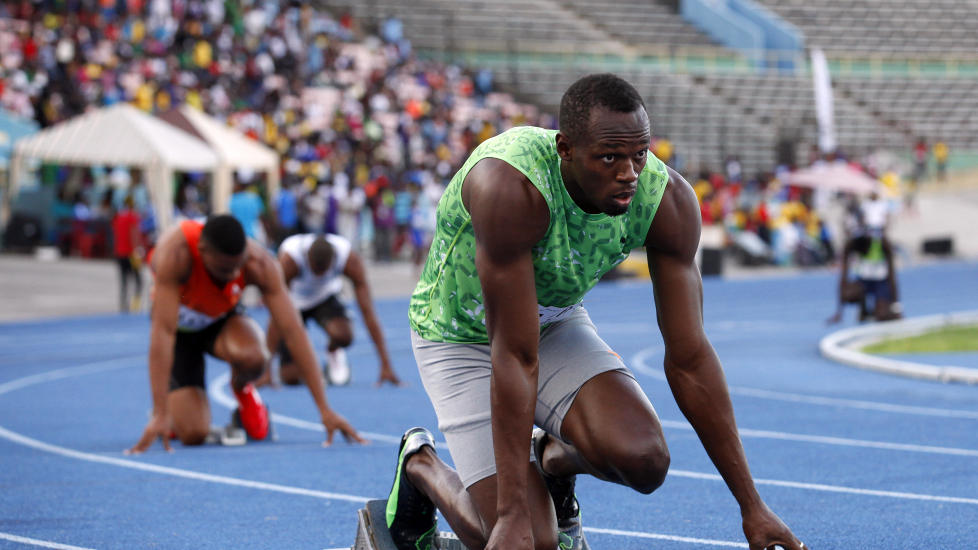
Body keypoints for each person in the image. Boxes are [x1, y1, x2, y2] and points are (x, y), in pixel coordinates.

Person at [386, 74, 805, 550]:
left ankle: (550, 459)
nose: (629, 172)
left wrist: (752, 506)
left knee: (646, 460)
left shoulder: (665, 201)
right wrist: (511, 513)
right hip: (462, 337)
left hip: (554, 322)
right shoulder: (510, 187)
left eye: (639, 155)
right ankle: (421, 465)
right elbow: (514, 356)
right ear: (565, 149)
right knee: (531, 542)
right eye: (609, 157)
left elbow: (689, 359)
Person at [126, 215, 364, 454]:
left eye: (237, 267)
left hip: (220, 322)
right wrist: (160, 412)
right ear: (202, 251)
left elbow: (293, 331)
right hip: (180, 333)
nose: (232, 276)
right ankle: (175, 414)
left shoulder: (259, 263)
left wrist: (325, 409)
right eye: (223, 269)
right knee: (193, 434)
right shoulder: (174, 254)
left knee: (255, 356)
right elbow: (163, 334)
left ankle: (242, 389)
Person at [263, 232, 402, 387]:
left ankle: (333, 352)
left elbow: (368, 312)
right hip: (293, 303)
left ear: (333, 261)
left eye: (324, 271)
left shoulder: (348, 259)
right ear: (307, 260)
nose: (319, 276)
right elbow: (276, 314)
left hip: (325, 298)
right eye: (316, 270)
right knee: (291, 378)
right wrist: (267, 370)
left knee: (344, 335)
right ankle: (306, 366)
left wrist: (385, 364)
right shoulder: (290, 261)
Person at [827, 229, 901, 324]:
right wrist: (839, 312)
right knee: (848, 293)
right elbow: (843, 279)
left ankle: (878, 309)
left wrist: (896, 307)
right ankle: (864, 310)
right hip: (863, 282)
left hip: (881, 282)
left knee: (882, 316)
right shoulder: (852, 244)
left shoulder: (882, 243)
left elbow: (892, 277)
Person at [110, 195, 143, 313]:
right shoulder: (132, 217)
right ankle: (135, 305)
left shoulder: (118, 217)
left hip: (120, 253)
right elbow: (134, 234)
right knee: (138, 279)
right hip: (131, 254)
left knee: (124, 280)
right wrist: (138, 249)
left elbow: (115, 235)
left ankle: (123, 304)